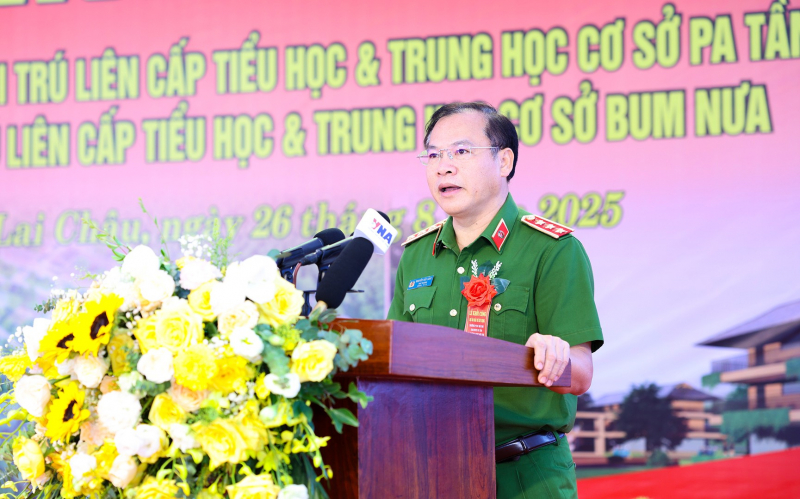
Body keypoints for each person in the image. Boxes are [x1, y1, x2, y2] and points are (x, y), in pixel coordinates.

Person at [387, 101, 603, 499]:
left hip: (525, 475)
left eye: (461, 152)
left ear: (504, 161)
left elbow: (582, 372)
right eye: (433, 154)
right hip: (431, 473)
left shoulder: (552, 250)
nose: (443, 166)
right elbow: (394, 367)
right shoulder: (416, 254)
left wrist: (555, 357)